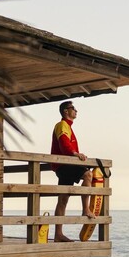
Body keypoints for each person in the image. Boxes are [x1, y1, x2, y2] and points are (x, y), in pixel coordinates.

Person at [51, 101, 95, 242]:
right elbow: (64, 145)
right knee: (88, 174)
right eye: (73, 108)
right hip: (65, 165)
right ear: (66, 111)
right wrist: (76, 153)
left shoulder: (67, 126)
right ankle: (86, 209)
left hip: (63, 165)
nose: (76, 111)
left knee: (63, 200)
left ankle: (58, 234)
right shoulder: (62, 125)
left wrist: (74, 154)